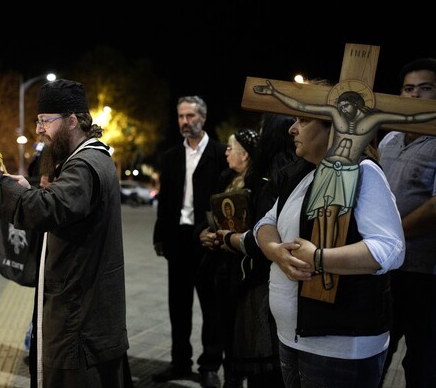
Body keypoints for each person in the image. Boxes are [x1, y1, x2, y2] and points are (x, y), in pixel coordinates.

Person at [0, 79, 131, 388]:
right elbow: (59, 205)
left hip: (79, 317)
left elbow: (46, 209)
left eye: (44, 121)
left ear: (72, 121)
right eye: (38, 121)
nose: (38, 130)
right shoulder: (90, 159)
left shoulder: (85, 165)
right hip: (88, 311)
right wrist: (22, 188)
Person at [253, 108, 405, 387]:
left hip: (340, 347)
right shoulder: (300, 173)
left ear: (333, 129)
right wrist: (275, 251)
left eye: (304, 120)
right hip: (291, 337)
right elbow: (266, 222)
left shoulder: (363, 171)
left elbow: (389, 248)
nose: (292, 129)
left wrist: (318, 258)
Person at [253, 80, 436, 253]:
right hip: (328, 170)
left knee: (334, 228)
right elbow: (301, 106)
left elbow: (410, 116)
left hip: (348, 171)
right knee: (321, 221)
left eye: (303, 121)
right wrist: (275, 93)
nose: (343, 109)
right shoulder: (303, 171)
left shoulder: (370, 126)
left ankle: (323, 266)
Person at [201, 114, 297, 388]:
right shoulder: (239, 177)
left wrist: (232, 239)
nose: (295, 130)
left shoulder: (270, 178)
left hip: (258, 277)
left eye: (263, 129)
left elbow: (262, 231)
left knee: (263, 362)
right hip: (244, 268)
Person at [152, 95, 228, 388]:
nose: (185, 122)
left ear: (203, 118)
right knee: (178, 307)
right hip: (178, 240)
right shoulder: (171, 156)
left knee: (212, 307)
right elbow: (165, 201)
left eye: (190, 116)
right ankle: (179, 363)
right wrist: (160, 235)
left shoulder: (220, 155)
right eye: (181, 116)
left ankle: (210, 365)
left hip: (208, 241)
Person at [377, 58, 436, 388]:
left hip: (424, 273)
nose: (415, 96)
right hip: (387, 268)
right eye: (408, 88)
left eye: (425, 88)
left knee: (422, 361)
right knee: (378, 351)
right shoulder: (390, 138)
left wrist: (390, 233)